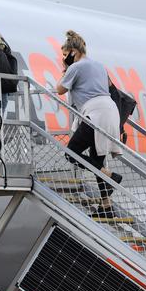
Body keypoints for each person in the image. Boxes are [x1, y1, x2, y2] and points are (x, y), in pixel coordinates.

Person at [56, 30, 123, 218]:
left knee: (71, 152)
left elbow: (59, 89)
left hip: (95, 113)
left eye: (64, 54)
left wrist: (65, 68)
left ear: (73, 52)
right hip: (110, 111)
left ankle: (109, 176)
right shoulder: (100, 66)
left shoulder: (76, 67)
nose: (64, 57)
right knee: (97, 157)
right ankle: (106, 207)